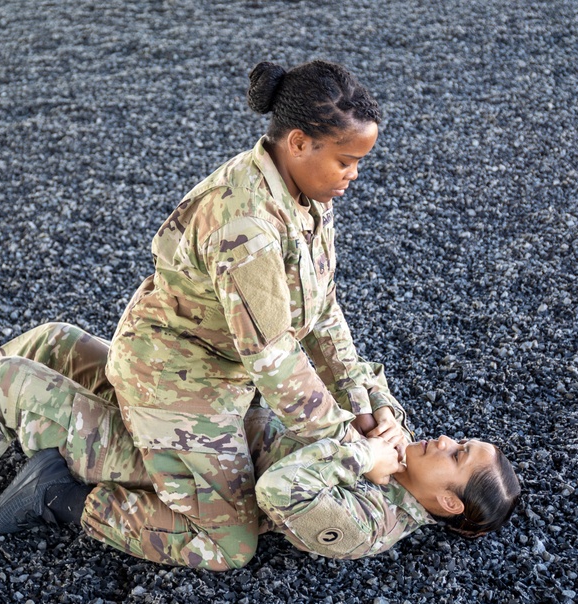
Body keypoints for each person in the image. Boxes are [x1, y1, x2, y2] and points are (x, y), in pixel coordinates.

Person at [0, 323, 520, 568]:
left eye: (458, 453)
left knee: (15, 385)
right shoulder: (403, 461)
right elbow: (355, 381)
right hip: (206, 407)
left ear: (447, 500)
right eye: (460, 438)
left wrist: (353, 455)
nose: (445, 438)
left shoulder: (365, 525)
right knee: (58, 341)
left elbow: (276, 493)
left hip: (187, 458)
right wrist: (377, 411)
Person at [100, 59, 408, 570]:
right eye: (347, 160)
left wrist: (358, 403)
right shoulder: (246, 226)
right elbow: (273, 357)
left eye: (360, 162)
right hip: (175, 379)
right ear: (298, 142)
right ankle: (63, 493)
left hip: (221, 376)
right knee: (231, 545)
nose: (354, 175)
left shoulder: (305, 190)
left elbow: (321, 309)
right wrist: (350, 448)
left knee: (250, 482)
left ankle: (156, 454)